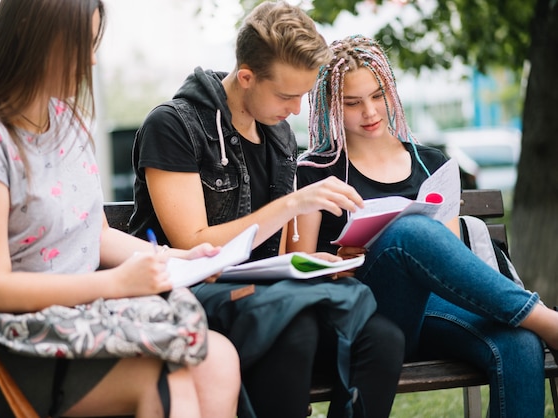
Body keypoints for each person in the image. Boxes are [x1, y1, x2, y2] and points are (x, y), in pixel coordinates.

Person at [0, 1, 241, 417]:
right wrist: (116, 284)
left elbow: (96, 236)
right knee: (169, 381)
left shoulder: (68, 122)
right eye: (82, 43)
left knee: (219, 360)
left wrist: (176, 258)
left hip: (71, 321)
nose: (90, 58)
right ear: (29, 34)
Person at [129, 2, 405, 418]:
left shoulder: (276, 132)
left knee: (382, 338)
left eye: (302, 96)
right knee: (294, 330)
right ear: (246, 77)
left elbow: (276, 254)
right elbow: (194, 245)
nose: (296, 110)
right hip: (188, 296)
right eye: (286, 95)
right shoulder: (172, 126)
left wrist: (315, 263)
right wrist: (292, 204)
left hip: (267, 295)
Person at [289, 34, 558, 417]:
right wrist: (335, 266)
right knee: (406, 234)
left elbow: (447, 266)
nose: (370, 112)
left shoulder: (432, 162)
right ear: (331, 105)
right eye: (353, 103)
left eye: (378, 95)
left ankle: (536, 325)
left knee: (520, 342)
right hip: (362, 315)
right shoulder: (317, 170)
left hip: (431, 313)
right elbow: (297, 265)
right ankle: (548, 319)